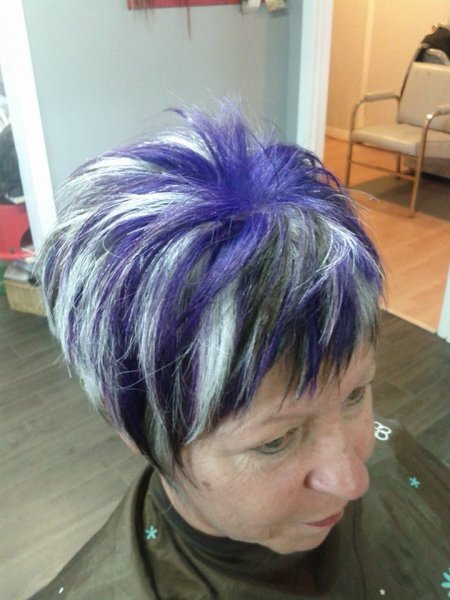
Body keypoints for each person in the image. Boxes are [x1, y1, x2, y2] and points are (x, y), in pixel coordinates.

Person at [34, 103, 448, 599]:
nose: (353, 480)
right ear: (129, 426)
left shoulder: (395, 445)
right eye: (275, 441)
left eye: (355, 394)